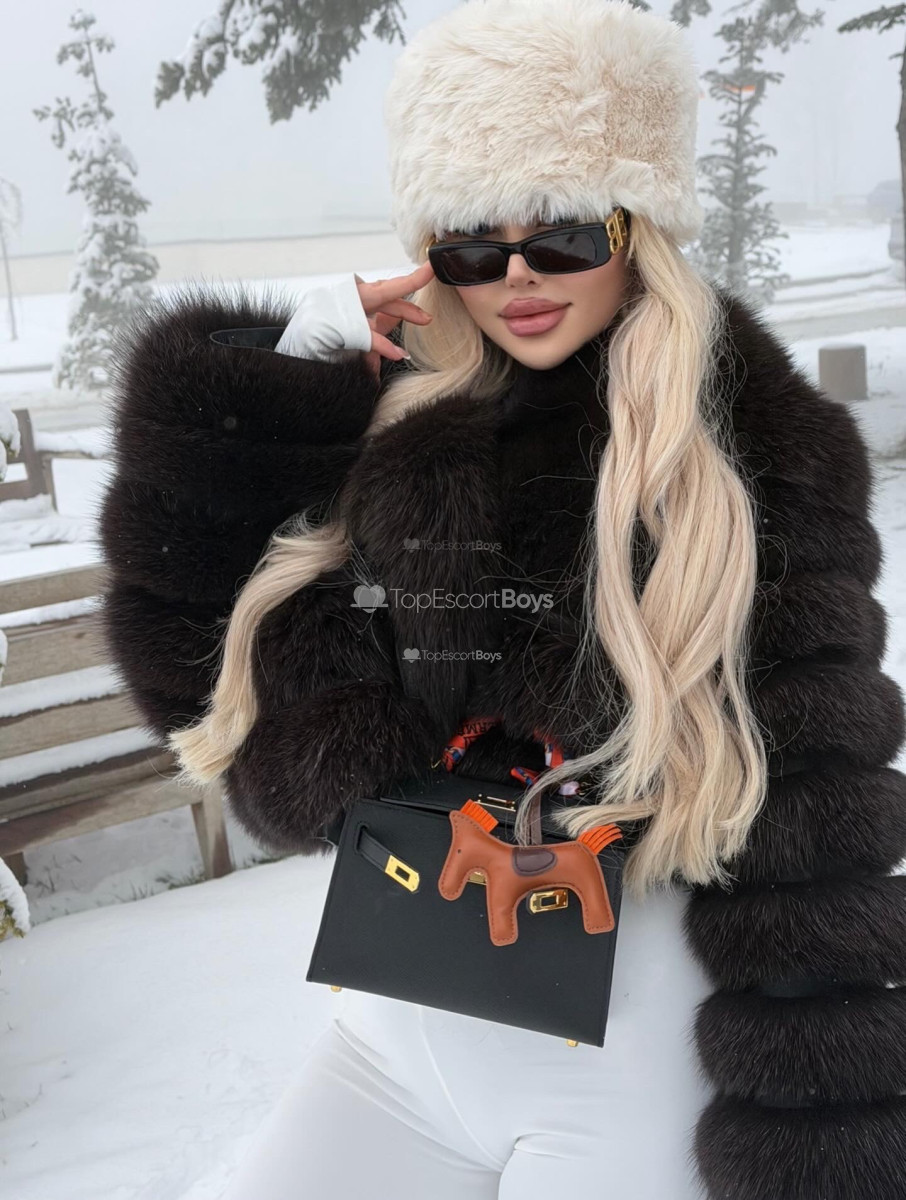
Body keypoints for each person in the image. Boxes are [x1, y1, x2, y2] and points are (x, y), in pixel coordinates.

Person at [97, 1, 906, 1197]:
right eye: (474, 244)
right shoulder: (401, 436)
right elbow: (202, 671)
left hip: (620, 1053)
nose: (518, 274)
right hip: (399, 1017)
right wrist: (281, 390)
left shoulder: (746, 455)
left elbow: (813, 812)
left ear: (641, 229)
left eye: (567, 233)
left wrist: (818, 1138)